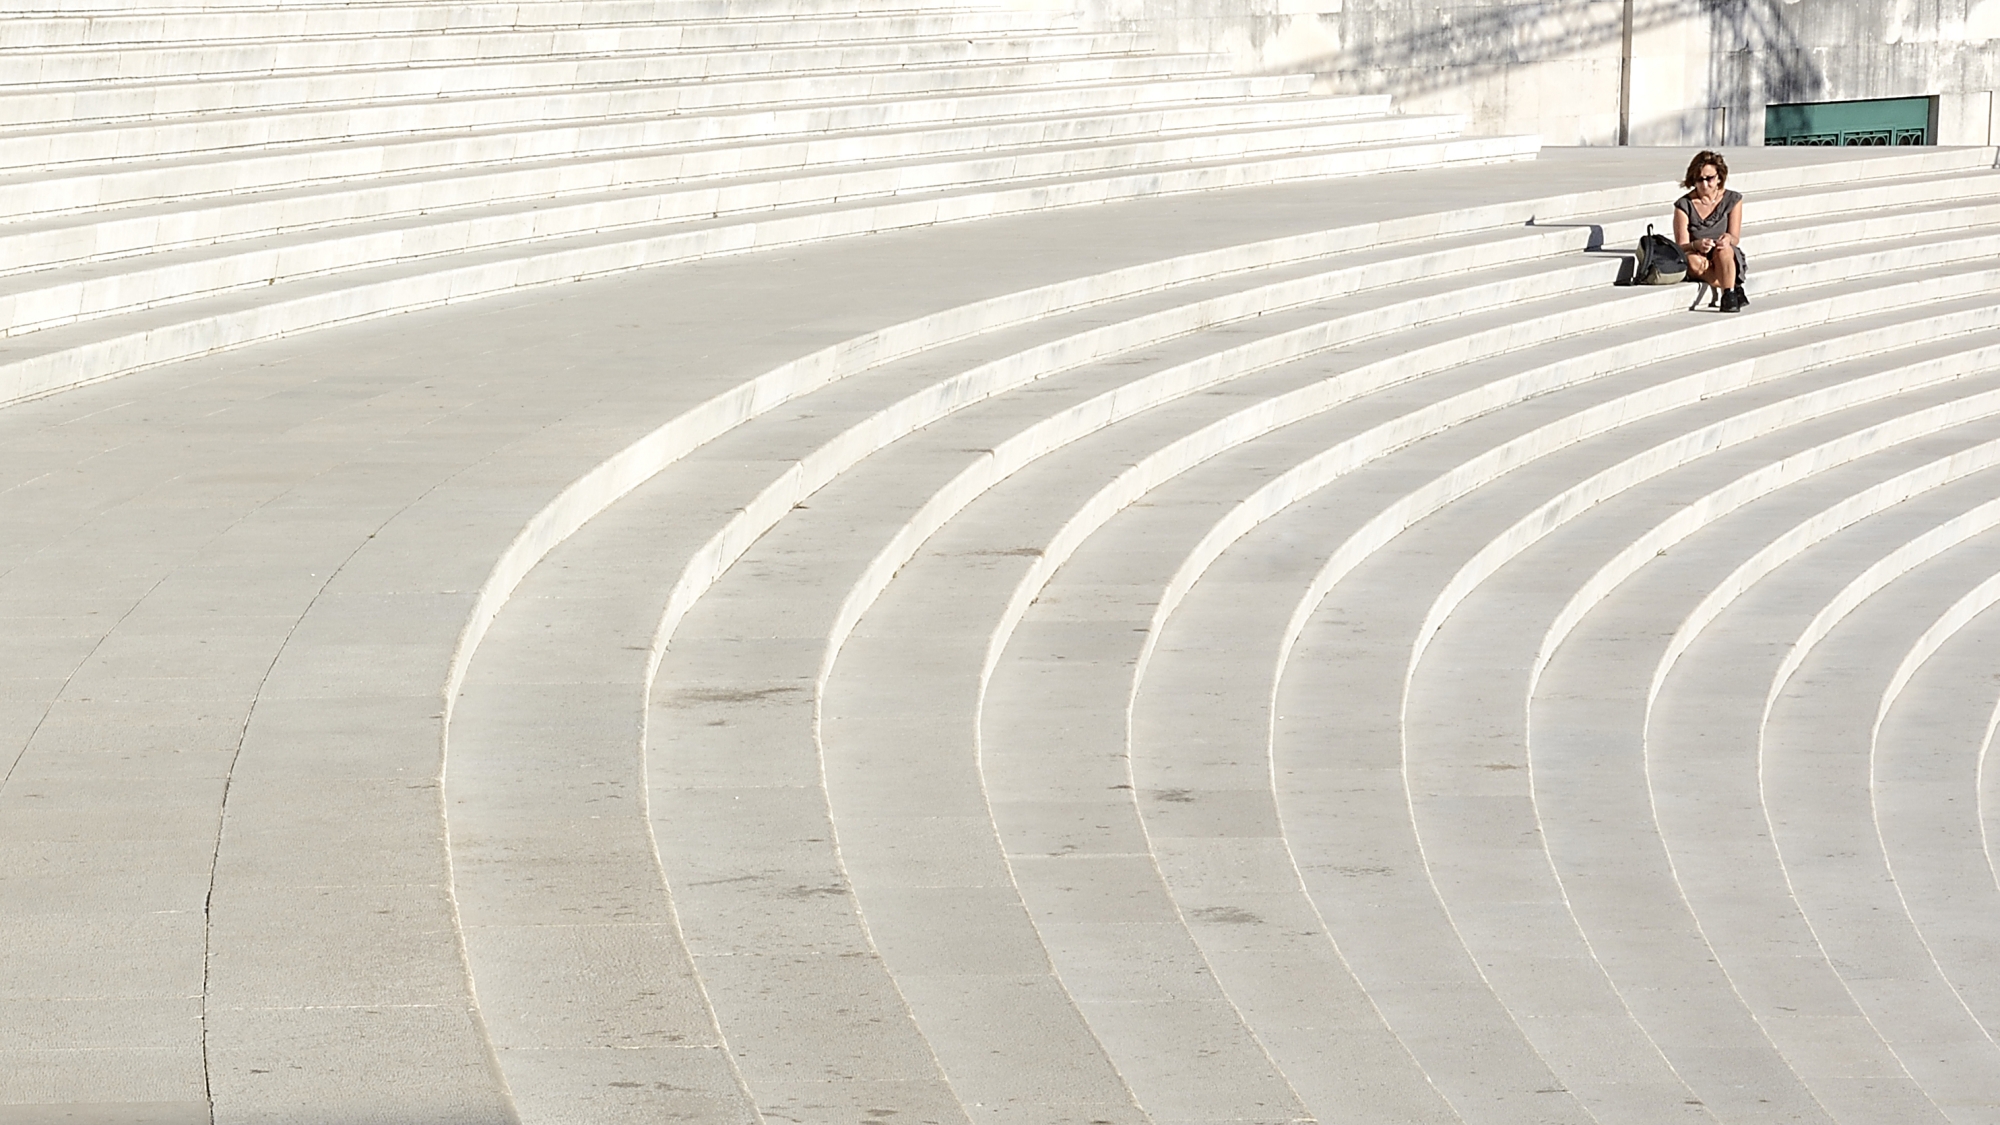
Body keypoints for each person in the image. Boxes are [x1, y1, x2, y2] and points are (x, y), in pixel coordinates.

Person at [1675, 150, 1748, 313]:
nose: (1705, 184)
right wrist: (1696, 244)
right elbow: (1681, 246)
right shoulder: (1684, 205)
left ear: (1719, 177)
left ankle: (1728, 295)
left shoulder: (1733, 200)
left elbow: (1735, 238)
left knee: (1725, 250)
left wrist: (1728, 238)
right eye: (1700, 179)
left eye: (1710, 178)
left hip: (1724, 253)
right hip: (1700, 256)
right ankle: (1733, 287)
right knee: (1692, 261)